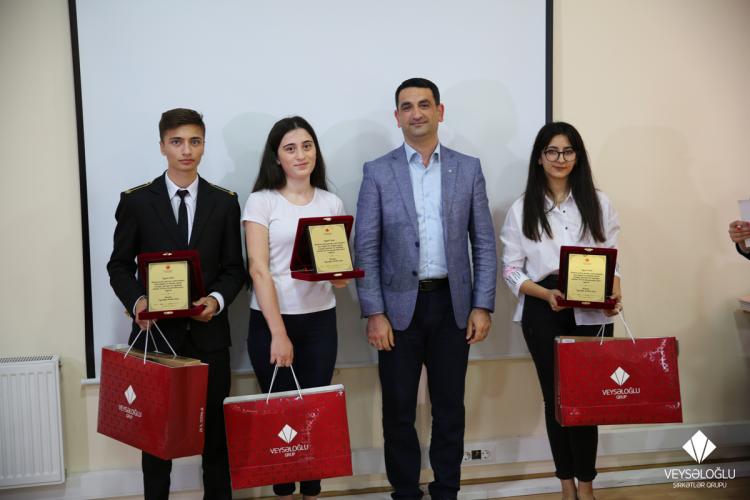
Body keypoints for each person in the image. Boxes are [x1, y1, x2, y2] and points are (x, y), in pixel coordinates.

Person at [354, 78, 497, 500]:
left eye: (424, 104)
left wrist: (482, 305)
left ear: (440, 111)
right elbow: (366, 246)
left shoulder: (467, 168)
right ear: (396, 117)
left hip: (453, 307)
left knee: (449, 408)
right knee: (398, 409)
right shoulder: (377, 171)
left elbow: (483, 242)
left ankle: (446, 490)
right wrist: (374, 312)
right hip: (398, 311)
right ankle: (405, 492)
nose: (416, 113)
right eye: (406, 106)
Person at [107, 108, 245, 499]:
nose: (187, 150)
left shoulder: (224, 202)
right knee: (156, 440)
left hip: (209, 337)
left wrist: (216, 301)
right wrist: (137, 301)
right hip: (156, 337)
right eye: (177, 142)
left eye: (194, 141)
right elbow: (119, 265)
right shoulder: (137, 201)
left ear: (203, 145)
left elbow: (234, 269)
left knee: (215, 436)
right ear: (162, 146)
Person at [499, 122, 622, 500]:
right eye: (552, 151)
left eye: (568, 151)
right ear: (539, 158)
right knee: (557, 402)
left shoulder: (599, 203)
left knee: (587, 401)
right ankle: (566, 486)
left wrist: (615, 294)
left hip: (592, 308)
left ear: (577, 157)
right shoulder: (522, 208)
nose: (560, 158)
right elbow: (511, 270)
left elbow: (612, 260)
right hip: (544, 308)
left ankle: (587, 486)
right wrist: (544, 293)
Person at [242, 116, 348, 500]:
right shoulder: (262, 201)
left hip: (320, 322)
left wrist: (340, 276)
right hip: (272, 324)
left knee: (316, 417)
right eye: (290, 148)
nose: (301, 155)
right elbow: (259, 270)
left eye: (307, 146)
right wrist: (279, 333)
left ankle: (312, 492)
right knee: (282, 421)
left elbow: (337, 271)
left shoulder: (331, 202)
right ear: (277, 157)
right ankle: (284, 492)